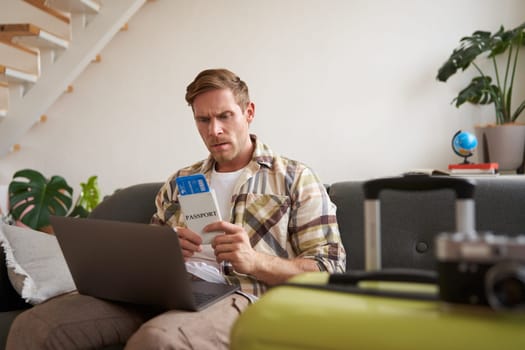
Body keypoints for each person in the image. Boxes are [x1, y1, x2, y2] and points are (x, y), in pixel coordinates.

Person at [7, 68, 346, 350]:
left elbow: (330, 268)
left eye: (225, 116)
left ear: (249, 112)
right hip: (164, 291)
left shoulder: (294, 178)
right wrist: (164, 249)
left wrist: (255, 261)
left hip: (242, 294)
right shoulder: (179, 182)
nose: (214, 130)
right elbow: (145, 254)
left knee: (158, 341)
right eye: (203, 120)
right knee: (37, 326)